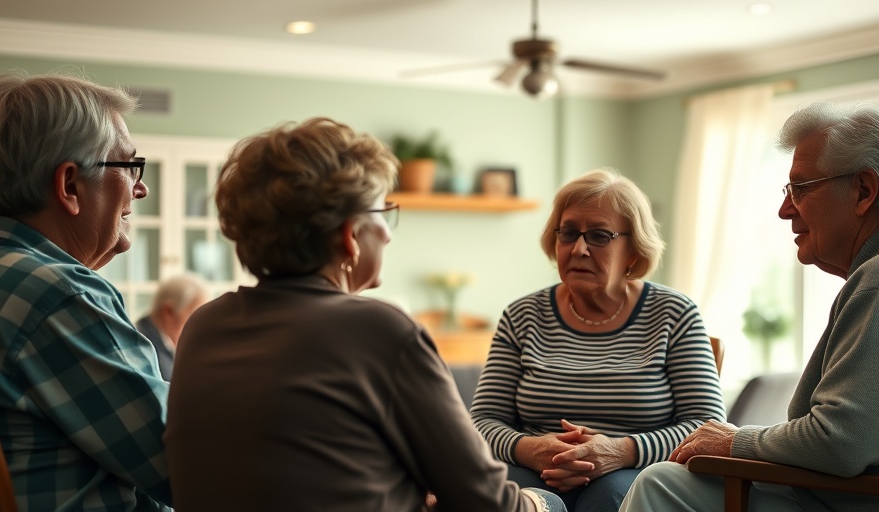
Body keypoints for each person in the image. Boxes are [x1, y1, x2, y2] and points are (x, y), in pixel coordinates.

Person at [164, 117, 565, 512]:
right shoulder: (380, 330)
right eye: (382, 212)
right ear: (348, 236)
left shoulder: (204, 324)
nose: (388, 233)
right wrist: (539, 503)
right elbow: (486, 502)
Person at [620, 102, 879, 512]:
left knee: (663, 483)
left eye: (801, 188)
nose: (784, 209)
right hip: (861, 497)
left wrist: (734, 441)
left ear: (864, 191)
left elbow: (841, 444)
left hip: (860, 505)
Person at [0, 72, 171, 510]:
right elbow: (189, 463)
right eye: (129, 165)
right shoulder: (57, 296)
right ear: (70, 186)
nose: (141, 187)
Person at [470, 168, 727, 512]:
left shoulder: (674, 313)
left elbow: (706, 425)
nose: (578, 249)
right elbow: (482, 421)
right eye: (568, 233)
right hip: (534, 469)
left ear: (633, 250)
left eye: (599, 236)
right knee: (518, 500)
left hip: (635, 471)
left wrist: (622, 450)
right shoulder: (522, 315)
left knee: (609, 498)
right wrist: (527, 449)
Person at [135, 274, 209, 380]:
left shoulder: (165, 343)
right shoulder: (146, 348)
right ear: (168, 312)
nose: (200, 327)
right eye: (195, 316)